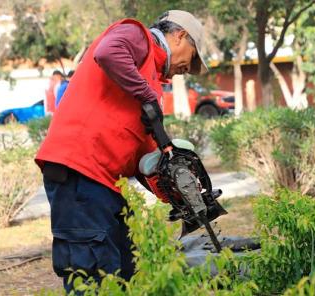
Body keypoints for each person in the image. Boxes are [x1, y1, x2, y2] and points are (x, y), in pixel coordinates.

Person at [34, 10, 207, 292]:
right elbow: (108, 52)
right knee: (95, 277)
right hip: (79, 174)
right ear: (180, 36)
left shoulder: (149, 81)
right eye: (193, 56)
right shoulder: (137, 37)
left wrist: (179, 193)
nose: (189, 68)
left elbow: (145, 158)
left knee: (127, 270)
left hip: (103, 185)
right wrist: (147, 95)